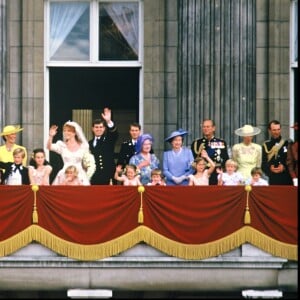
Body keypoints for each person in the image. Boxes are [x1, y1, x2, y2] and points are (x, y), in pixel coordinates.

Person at [47, 120, 95, 186]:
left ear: (75, 133)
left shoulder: (83, 146)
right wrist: (51, 136)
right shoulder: (62, 145)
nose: (66, 133)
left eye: (69, 131)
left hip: (79, 175)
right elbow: (49, 147)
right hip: (65, 174)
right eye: (65, 131)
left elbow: (86, 161)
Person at [191, 119, 229, 185]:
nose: (205, 129)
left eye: (208, 127)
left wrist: (222, 173)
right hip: (202, 174)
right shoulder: (196, 143)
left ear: (213, 128)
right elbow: (194, 160)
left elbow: (225, 159)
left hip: (216, 174)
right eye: (204, 127)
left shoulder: (221, 142)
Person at [88, 108, 118, 185]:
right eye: (96, 127)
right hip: (94, 176)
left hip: (108, 175)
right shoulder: (89, 143)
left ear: (104, 129)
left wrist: (108, 121)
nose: (99, 129)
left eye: (101, 127)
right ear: (92, 129)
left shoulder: (108, 140)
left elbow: (114, 134)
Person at [261, 120, 293, 185]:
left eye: (278, 129)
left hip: (286, 178)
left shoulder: (287, 143)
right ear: (269, 130)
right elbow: (263, 164)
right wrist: (270, 168)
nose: (277, 132)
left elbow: (292, 162)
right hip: (272, 179)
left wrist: (284, 167)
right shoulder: (266, 145)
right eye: (274, 130)